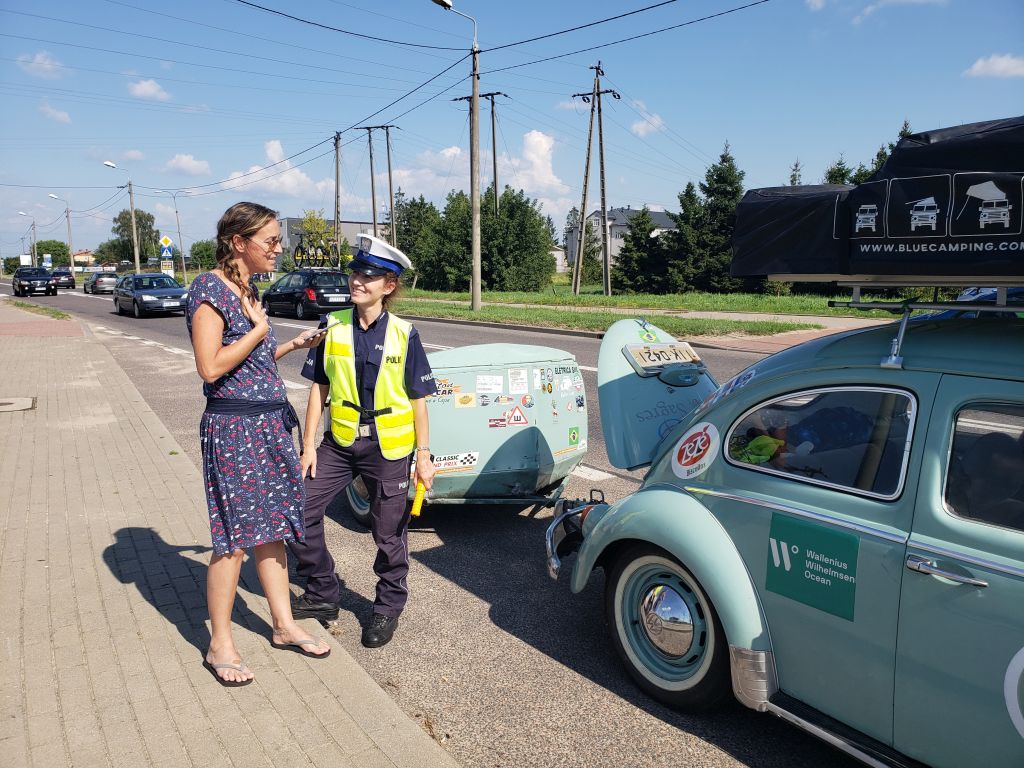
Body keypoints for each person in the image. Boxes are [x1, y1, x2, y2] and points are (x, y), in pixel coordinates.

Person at [187, 201, 331, 686]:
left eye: (277, 239)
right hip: (235, 431)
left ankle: (284, 626)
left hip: (268, 427)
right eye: (269, 240)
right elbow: (210, 366)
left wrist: (290, 345)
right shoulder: (209, 290)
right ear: (238, 242)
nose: (278, 247)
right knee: (233, 542)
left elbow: (250, 356)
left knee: (272, 530)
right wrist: (264, 329)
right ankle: (219, 644)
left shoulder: (244, 288)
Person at [289, 234, 437, 649]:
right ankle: (322, 593)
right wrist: (308, 445)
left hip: (389, 447)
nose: (357, 281)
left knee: (388, 533)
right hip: (339, 442)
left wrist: (423, 456)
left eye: (368, 276)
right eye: (355, 273)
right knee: (298, 510)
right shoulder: (331, 325)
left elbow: (418, 400)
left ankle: (387, 608)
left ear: (388, 286)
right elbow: (318, 387)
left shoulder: (406, 333)